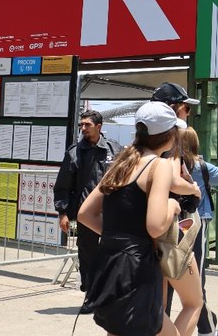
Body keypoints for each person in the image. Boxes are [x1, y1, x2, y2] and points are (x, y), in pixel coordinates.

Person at [76, 101, 193, 336]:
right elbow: (155, 225)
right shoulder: (158, 165)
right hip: (136, 268)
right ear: (168, 135)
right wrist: (172, 206)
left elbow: (85, 214)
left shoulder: (122, 162)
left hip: (110, 263)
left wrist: (118, 236)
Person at [53, 109, 122, 299]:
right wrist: (63, 213)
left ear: (99, 126)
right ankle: (90, 295)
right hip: (85, 215)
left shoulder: (115, 149)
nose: (83, 128)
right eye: (81, 125)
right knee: (87, 255)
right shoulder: (74, 153)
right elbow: (63, 186)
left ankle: (109, 295)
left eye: (87, 125)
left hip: (112, 212)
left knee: (113, 253)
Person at [183, 127, 218, 336]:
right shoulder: (198, 166)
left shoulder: (170, 164)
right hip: (196, 221)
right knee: (198, 275)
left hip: (174, 221)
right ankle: (206, 328)